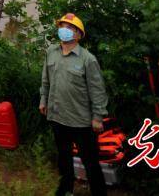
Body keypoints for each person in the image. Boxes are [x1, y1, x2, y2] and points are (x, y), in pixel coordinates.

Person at [40, 12, 108, 196]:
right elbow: (45, 80)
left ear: (78, 34)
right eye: (62, 26)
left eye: (70, 28)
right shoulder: (51, 52)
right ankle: (65, 191)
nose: (64, 30)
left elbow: (97, 90)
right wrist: (43, 99)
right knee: (63, 159)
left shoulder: (88, 59)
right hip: (57, 117)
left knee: (91, 162)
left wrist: (98, 117)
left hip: (82, 121)